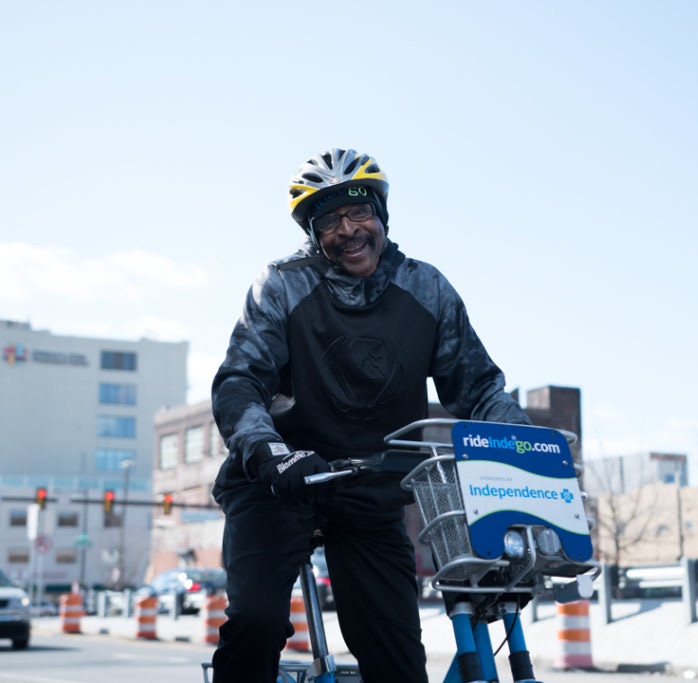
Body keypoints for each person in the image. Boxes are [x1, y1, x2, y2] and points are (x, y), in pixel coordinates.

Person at [210, 148, 529, 682]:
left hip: (372, 487)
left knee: (398, 657)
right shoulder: (282, 285)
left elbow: (477, 388)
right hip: (281, 482)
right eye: (330, 220)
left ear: (382, 217)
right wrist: (271, 454)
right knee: (257, 620)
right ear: (314, 232)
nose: (349, 230)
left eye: (360, 213)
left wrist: (519, 445)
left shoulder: (427, 288)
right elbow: (240, 382)